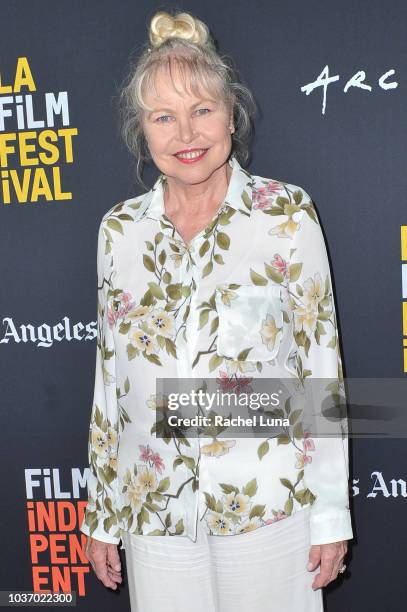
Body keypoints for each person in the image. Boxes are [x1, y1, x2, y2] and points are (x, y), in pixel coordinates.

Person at [80, 9, 353, 612]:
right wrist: (102, 511)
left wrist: (331, 510)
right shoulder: (119, 232)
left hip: (269, 507)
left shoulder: (286, 215)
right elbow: (110, 380)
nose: (186, 133)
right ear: (142, 132)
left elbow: (319, 368)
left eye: (202, 109)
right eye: (164, 116)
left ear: (232, 113)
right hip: (154, 513)